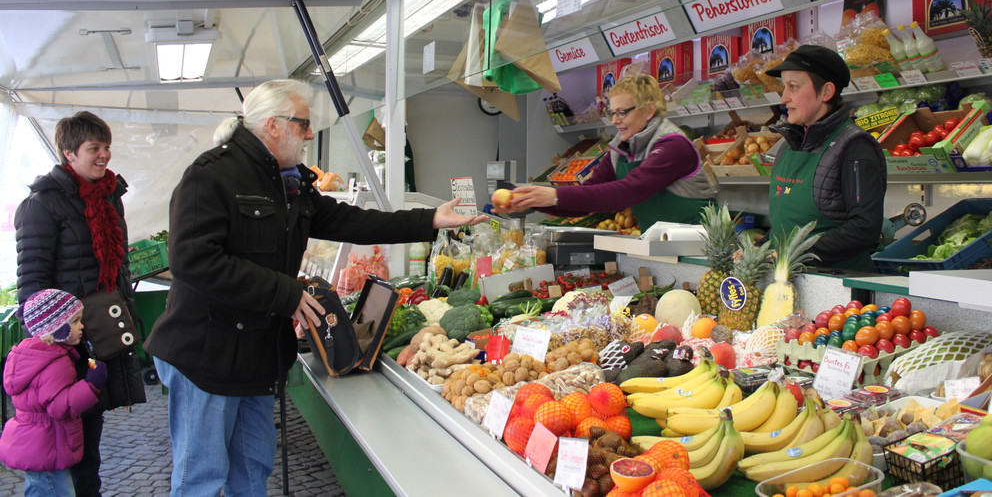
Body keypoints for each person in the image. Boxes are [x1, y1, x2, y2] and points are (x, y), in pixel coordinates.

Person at [144, 79, 487, 497]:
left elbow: (353, 222)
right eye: (304, 124)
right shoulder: (211, 176)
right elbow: (194, 261)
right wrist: (286, 294)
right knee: (202, 479)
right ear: (273, 125)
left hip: (254, 359)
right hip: (206, 356)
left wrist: (430, 219)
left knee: (251, 475)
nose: (310, 135)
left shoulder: (288, 183)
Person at [14, 111, 146, 496]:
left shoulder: (109, 198)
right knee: (63, 444)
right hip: (63, 344)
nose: (104, 155)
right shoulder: (41, 205)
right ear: (70, 153)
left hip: (97, 338)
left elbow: (118, 270)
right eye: (94, 148)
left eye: (106, 147)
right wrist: (55, 341)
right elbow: (32, 286)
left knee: (89, 438)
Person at [499, 74, 716, 231]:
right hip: (657, 245)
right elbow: (589, 196)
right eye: (612, 113)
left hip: (699, 249)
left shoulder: (673, 146)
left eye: (622, 113)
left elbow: (629, 190)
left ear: (649, 110)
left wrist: (555, 195)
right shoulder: (620, 149)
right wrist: (534, 201)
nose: (614, 121)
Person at [766, 45, 887, 269]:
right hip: (785, 278)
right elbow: (786, 223)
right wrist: (762, 248)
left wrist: (792, 254)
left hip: (836, 282)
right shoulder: (787, 146)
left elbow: (864, 229)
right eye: (784, 87)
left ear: (826, 92)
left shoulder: (855, 148)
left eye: (793, 87)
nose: (784, 98)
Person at [0, 289, 108, 497]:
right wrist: (91, 384)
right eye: (75, 321)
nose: (81, 326)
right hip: (48, 447)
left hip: (36, 446)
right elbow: (59, 407)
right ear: (57, 329)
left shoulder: (31, 354)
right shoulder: (56, 362)